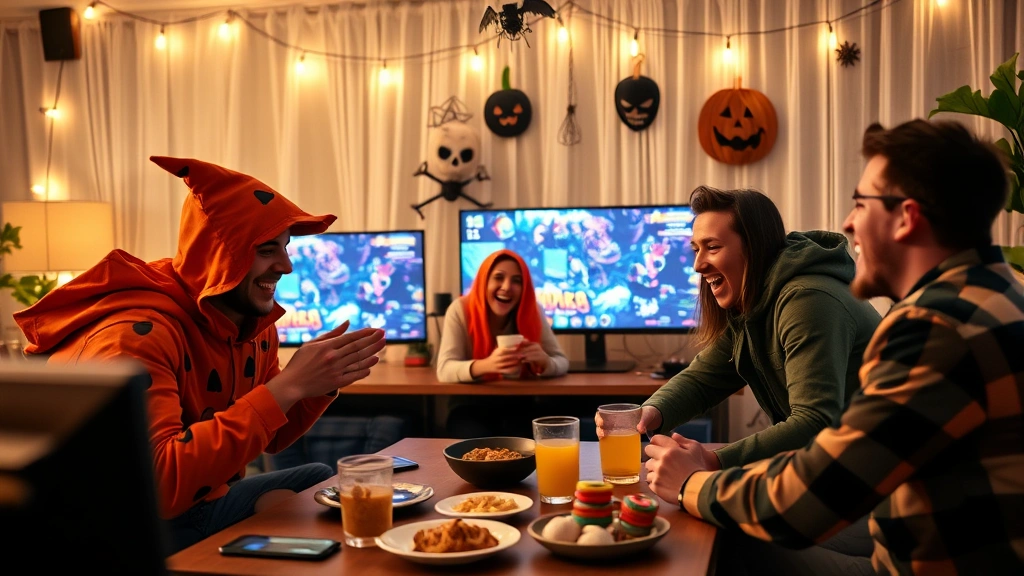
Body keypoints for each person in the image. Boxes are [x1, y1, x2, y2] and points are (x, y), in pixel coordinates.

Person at [646, 119, 1024, 575]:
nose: (847, 223)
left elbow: (816, 495)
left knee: (716, 543)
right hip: (911, 525)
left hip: (922, 561)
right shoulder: (994, 294)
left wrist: (694, 482)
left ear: (906, 217)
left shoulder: (935, 329)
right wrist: (653, 417)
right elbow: (710, 371)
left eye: (861, 204)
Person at [13, 156, 387, 555]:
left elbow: (272, 436)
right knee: (316, 512)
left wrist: (314, 384)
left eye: (285, 247)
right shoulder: (135, 336)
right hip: (121, 527)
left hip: (193, 502)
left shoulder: (253, 325)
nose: (287, 266)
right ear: (219, 256)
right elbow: (158, 485)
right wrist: (287, 386)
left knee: (316, 480)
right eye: (266, 250)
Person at [598, 186, 881, 470]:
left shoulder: (806, 300)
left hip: (873, 477)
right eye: (696, 249)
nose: (698, 265)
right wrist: (648, 413)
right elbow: (702, 380)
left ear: (754, 248)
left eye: (712, 247)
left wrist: (712, 460)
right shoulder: (755, 304)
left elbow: (814, 422)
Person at [435, 249, 569, 436]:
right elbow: (444, 369)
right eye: (498, 277)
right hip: (469, 406)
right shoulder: (460, 309)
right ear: (484, 281)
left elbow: (562, 361)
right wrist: (487, 365)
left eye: (516, 281)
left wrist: (546, 362)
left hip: (522, 404)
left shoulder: (532, 310)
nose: (507, 287)